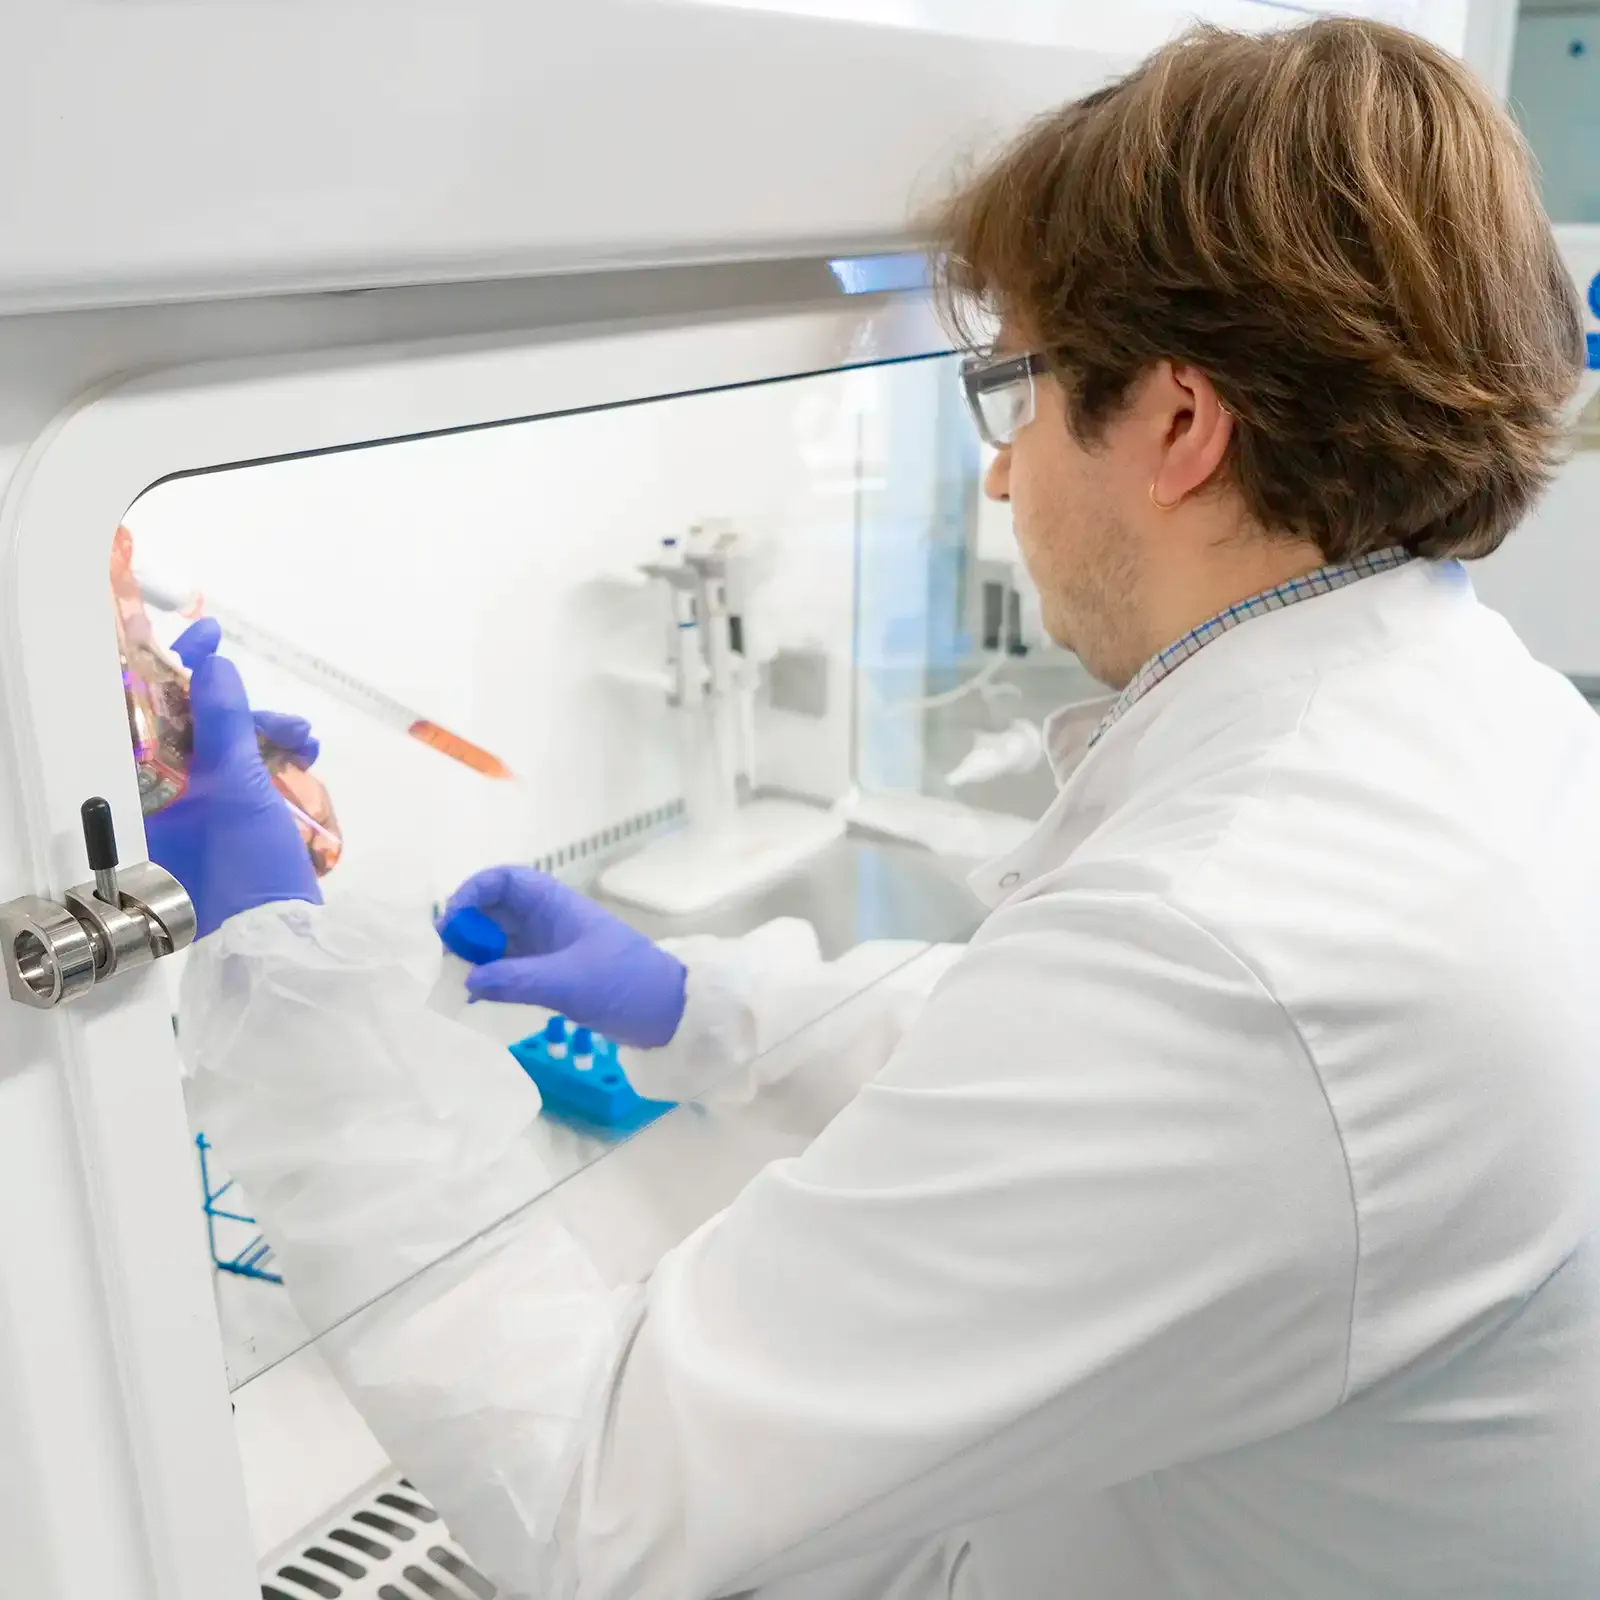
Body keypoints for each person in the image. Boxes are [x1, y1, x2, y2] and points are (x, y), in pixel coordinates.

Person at [159, 18, 1600, 1600]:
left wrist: (276, 965)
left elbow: (593, 1492)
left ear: (1182, 427)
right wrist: (699, 1001)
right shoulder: (1470, 719)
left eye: (1025, 391)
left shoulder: (1249, 935)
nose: (999, 477)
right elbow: (1073, 1094)